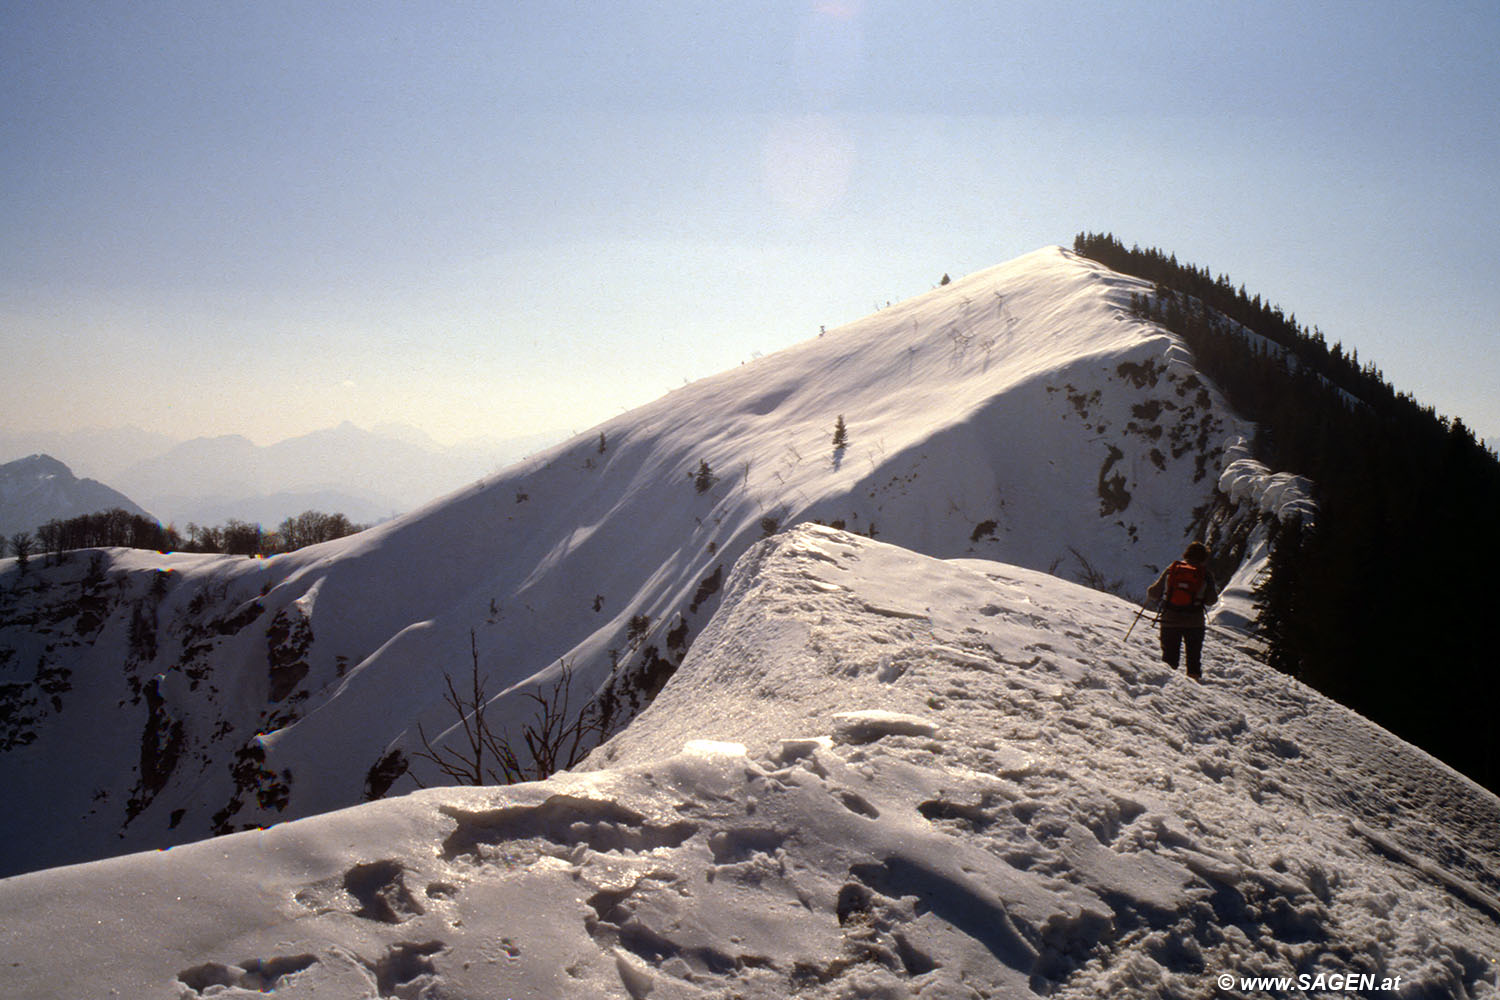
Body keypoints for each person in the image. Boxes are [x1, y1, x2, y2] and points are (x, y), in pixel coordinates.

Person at [1146, 540, 1218, 682]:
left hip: (1170, 620)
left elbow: (1153, 593)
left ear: (1186, 554)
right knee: (1193, 659)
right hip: (1195, 622)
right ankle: (1194, 688)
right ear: (1204, 558)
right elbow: (1211, 600)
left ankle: (1169, 689)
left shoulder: (1173, 569)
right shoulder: (1205, 574)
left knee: (1169, 659)